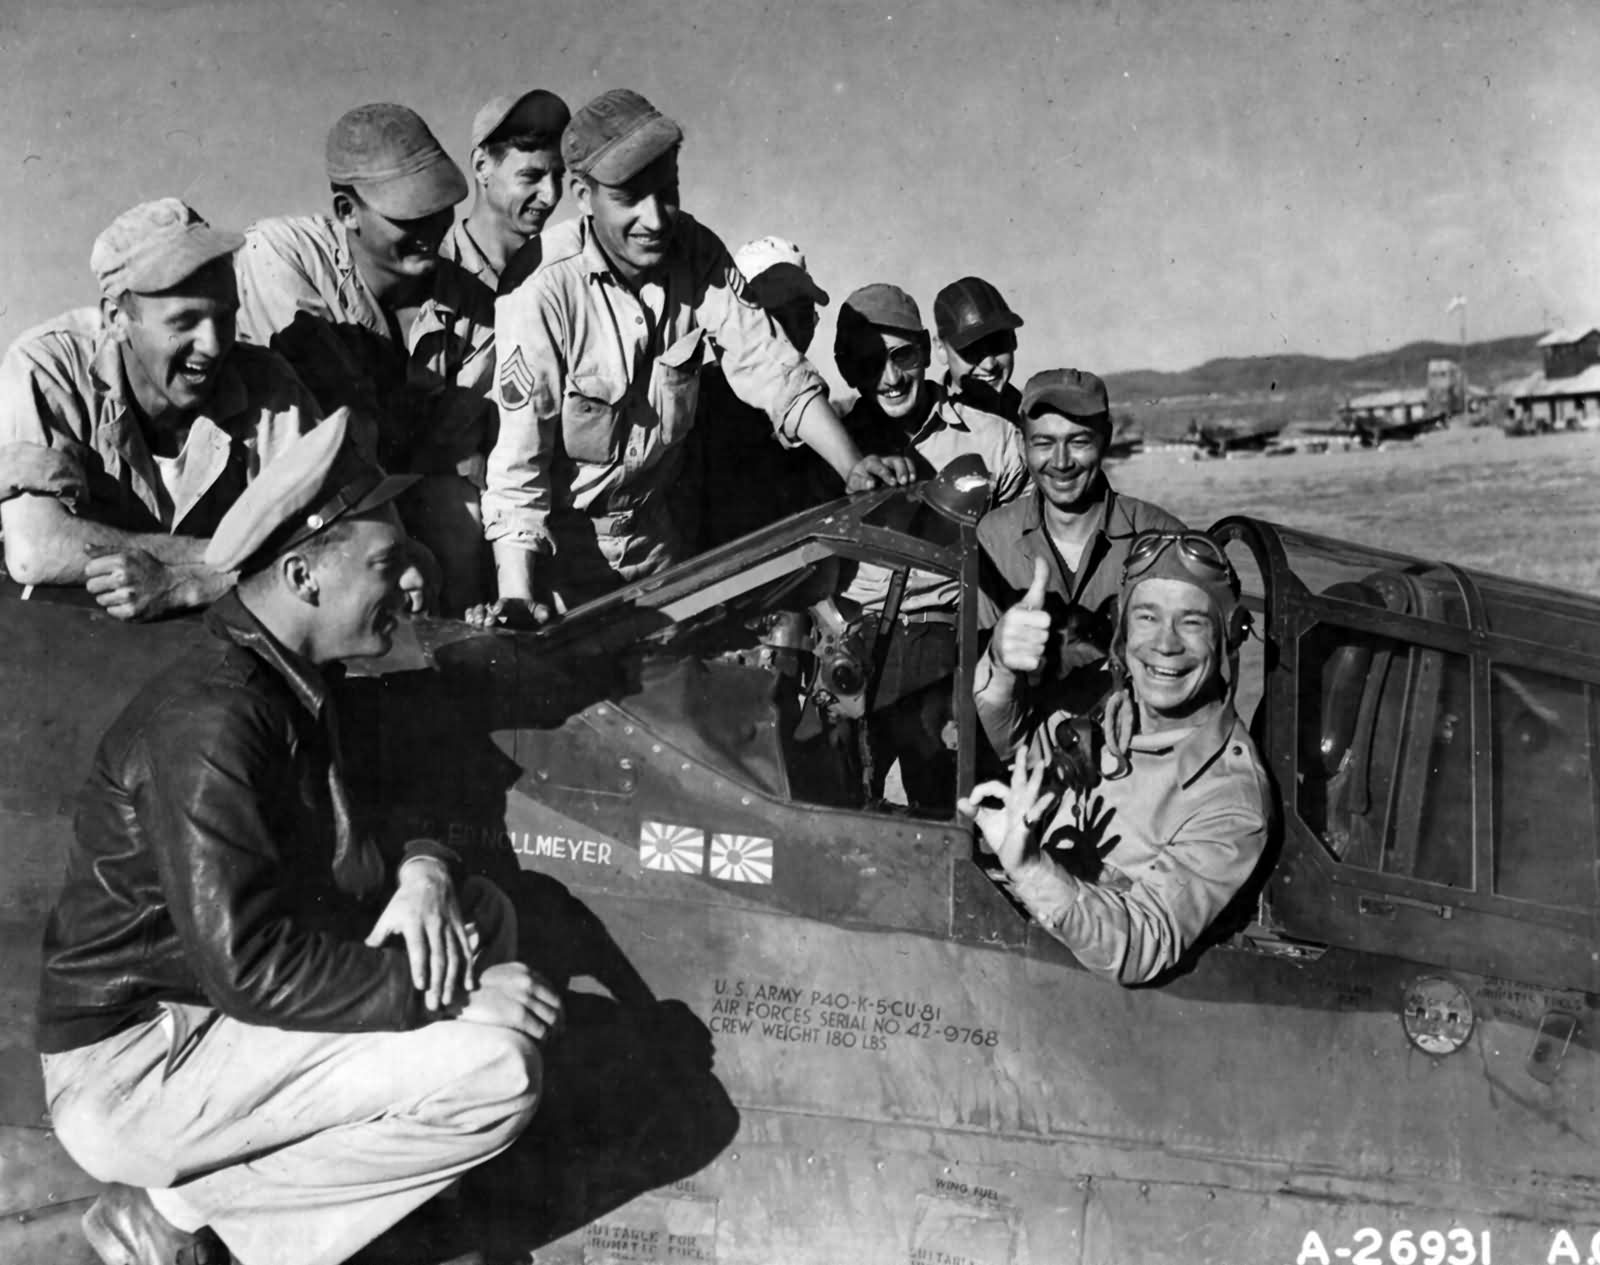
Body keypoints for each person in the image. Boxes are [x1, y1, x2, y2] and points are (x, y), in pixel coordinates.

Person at [36, 413, 559, 1265]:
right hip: (142, 1066)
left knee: (477, 912)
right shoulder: (213, 719)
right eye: (388, 564)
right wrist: (448, 1000)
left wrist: (425, 869)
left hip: (209, 1019)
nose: (416, 584)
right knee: (499, 1072)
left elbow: (390, 794)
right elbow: (247, 964)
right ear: (303, 574)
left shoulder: (294, 675)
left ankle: (202, 1206)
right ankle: (179, 1215)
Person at [481, 89, 909, 622]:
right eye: (630, 199)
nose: (656, 220)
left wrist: (853, 464)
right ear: (583, 195)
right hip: (564, 566)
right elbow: (518, 461)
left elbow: (770, 363)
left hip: (662, 556)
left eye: (668, 192)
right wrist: (519, 596)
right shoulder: (541, 287)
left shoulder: (697, 252)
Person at [961, 529, 1270, 985]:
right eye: (1147, 618)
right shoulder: (1102, 697)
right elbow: (1014, 741)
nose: (1165, 644)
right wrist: (1003, 661)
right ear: (1122, 630)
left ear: (1230, 636)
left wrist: (1030, 869)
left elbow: (1143, 945)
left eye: (1192, 623)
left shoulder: (1230, 797)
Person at [0, 198, 322, 620]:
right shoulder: (49, 368)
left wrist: (192, 581)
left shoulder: (267, 383)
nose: (212, 345)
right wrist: (230, 559)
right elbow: (35, 549)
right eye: (184, 322)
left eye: (225, 318)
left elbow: (331, 538)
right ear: (116, 318)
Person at [233, 103, 497, 612]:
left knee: (456, 505)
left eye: (437, 208)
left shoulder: (472, 308)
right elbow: (327, 437)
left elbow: (453, 455)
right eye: (406, 214)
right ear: (347, 211)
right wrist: (397, 547)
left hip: (404, 498)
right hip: (298, 500)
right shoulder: (281, 253)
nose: (428, 226)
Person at [828, 283, 1027, 808]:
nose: (891, 378)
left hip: (951, 652)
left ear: (926, 349)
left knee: (947, 816)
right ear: (849, 369)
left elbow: (1022, 563)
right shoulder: (830, 449)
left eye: (903, 356)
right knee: (834, 805)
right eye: (871, 363)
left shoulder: (994, 440)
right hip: (856, 647)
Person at [976, 368, 1185, 758]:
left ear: (1106, 438)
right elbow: (986, 710)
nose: (1060, 461)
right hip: (1024, 764)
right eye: (1043, 443)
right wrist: (1002, 658)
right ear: (1022, 447)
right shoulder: (992, 539)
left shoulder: (1162, 537)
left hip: (1138, 762)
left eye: (1078, 442)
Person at [685, 235, 833, 551]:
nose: (792, 332)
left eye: (803, 314)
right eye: (776, 318)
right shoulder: (701, 407)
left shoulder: (814, 406)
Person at [444, 90, 571, 293]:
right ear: (481, 166)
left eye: (558, 177)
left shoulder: (561, 279)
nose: (551, 196)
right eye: (530, 176)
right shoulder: (433, 275)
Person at [934, 275, 1024, 422]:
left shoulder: (1031, 417)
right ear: (941, 349)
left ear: (1013, 339)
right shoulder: (922, 424)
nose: (989, 365)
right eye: (972, 349)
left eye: (998, 343)